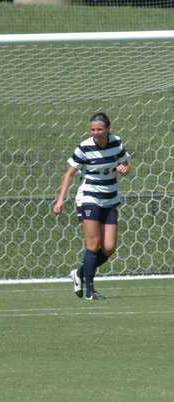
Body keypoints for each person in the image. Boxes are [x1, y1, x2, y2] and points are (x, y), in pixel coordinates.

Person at [53, 112, 130, 300]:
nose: (95, 133)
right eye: (92, 129)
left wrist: (124, 169)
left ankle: (79, 273)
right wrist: (60, 199)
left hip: (110, 199)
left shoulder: (117, 142)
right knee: (94, 243)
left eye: (99, 129)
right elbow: (69, 174)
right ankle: (90, 291)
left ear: (108, 129)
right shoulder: (84, 147)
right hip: (89, 198)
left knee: (109, 248)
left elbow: (125, 165)